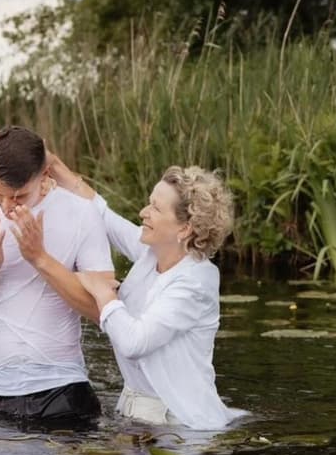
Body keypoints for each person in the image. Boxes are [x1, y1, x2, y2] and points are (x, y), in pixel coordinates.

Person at [48, 153, 247, 429]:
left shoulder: (196, 282)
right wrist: (58, 169)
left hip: (181, 428)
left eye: (155, 208)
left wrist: (102, 292)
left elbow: (135, 343)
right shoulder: (153, 252)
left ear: (185, 228)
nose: (144, 212)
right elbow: (104, 217)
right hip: (137, 416)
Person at [0, 126, 115, 421]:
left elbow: (103, 313)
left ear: (44, 174)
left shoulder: (82, 214)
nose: (7, 206)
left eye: (19, 197)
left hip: (62, 391)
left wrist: (40, 258)